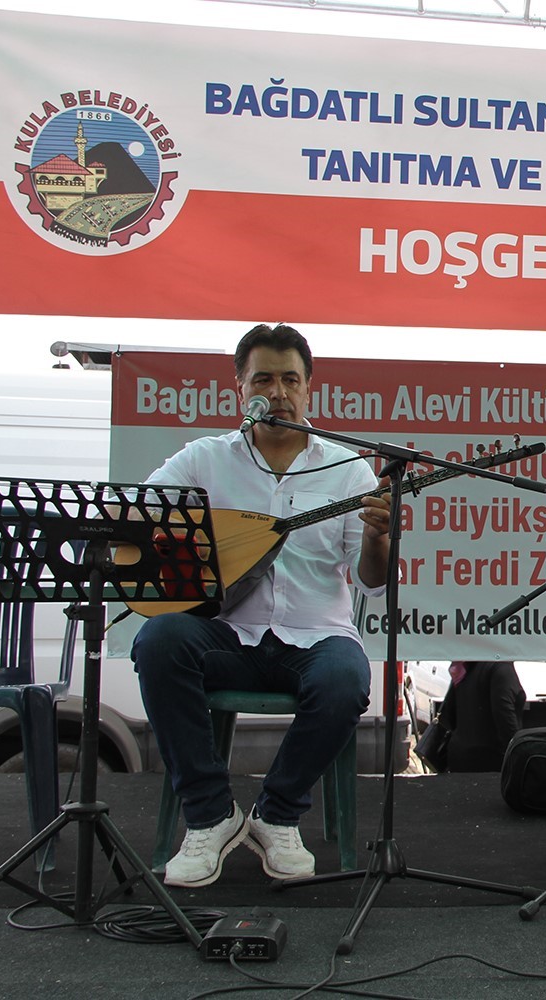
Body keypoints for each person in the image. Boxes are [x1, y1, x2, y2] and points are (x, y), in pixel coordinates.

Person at [132, 323, 392, 887]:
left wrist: (377, 539)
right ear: (240, 386)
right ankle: (210, 815)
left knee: (346, 679)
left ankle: (277, 815)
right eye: (264, 378)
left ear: (309, 388)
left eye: (290, 380)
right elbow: (142, 515)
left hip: (315, 634)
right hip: (227, 634)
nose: (278, 391)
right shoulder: (203, 460)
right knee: (157, 641)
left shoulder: (348, 469)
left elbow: (373, 584)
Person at [438, 660, 525, 771]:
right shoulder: (501, 667)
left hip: (460, 756)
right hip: (491, 762)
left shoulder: (467, 664)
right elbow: (505, 717)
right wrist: (518, 755)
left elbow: (449, 712)